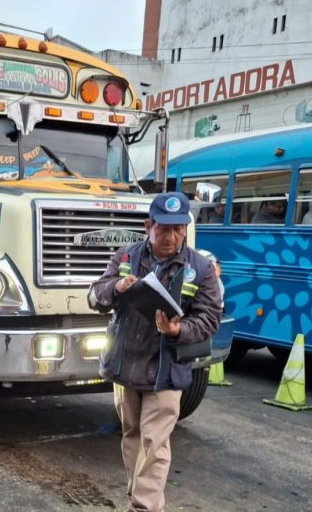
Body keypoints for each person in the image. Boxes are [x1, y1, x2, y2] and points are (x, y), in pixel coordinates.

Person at [88, 192, 222, 512]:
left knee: (156, 443)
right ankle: (141, 499)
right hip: (125, 365)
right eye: (163, 228)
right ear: (148, 226)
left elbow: (209, 318)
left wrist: (179, 330)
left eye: (178, 229)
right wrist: (117, 289)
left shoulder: (200, 268)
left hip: (167, 369)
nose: (171, 237)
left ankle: (144, 507)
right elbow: (94, 297)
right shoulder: (125, 258)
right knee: (132, 436)